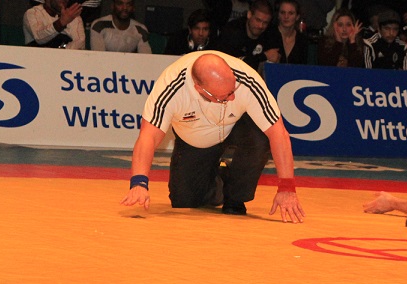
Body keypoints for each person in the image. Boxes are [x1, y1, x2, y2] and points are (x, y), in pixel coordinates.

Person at [120, 51, 304, 222]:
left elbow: (279, 134)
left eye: (233, 90)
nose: (232, 98)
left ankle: (236, 198)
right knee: (184, 200)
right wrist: (139, 182)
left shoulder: (247, 80)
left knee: (259, 138)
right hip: (196, 137)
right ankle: (221, 177)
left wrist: (287, 188)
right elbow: (148, 136)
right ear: (199, 89)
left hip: (236, 125)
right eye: (225, 95)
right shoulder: (171, 86)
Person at [216, 0, 274, 70]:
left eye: (265, 23)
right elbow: (229, 63)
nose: (260, 26)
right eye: (258, 20)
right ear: (249, 14)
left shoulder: (270, 34)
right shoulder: (232, 32)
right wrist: (263, 56)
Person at [265, 0, 309, 64]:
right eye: (283, 12)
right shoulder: (268, 35)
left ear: (297, 17)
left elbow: (303, 67)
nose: (286, 16)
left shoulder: (302, 40)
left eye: (290, 13)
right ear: (278, 15)